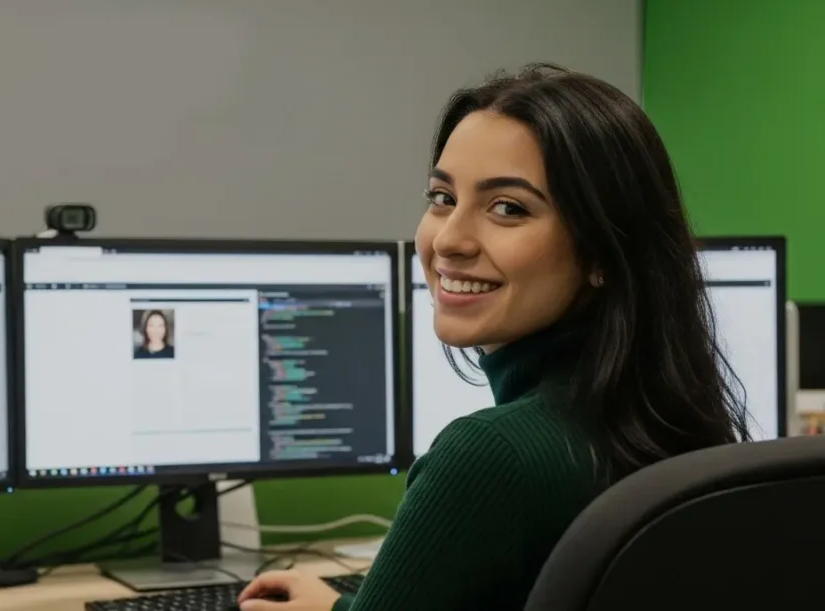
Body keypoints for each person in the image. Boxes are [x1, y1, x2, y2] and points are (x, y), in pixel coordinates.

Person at [236, 64, 750, 611]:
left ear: (602, 252)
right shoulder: (661, 427)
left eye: (508, 208)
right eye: (441, 197)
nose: (449, 240)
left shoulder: (489, 456)